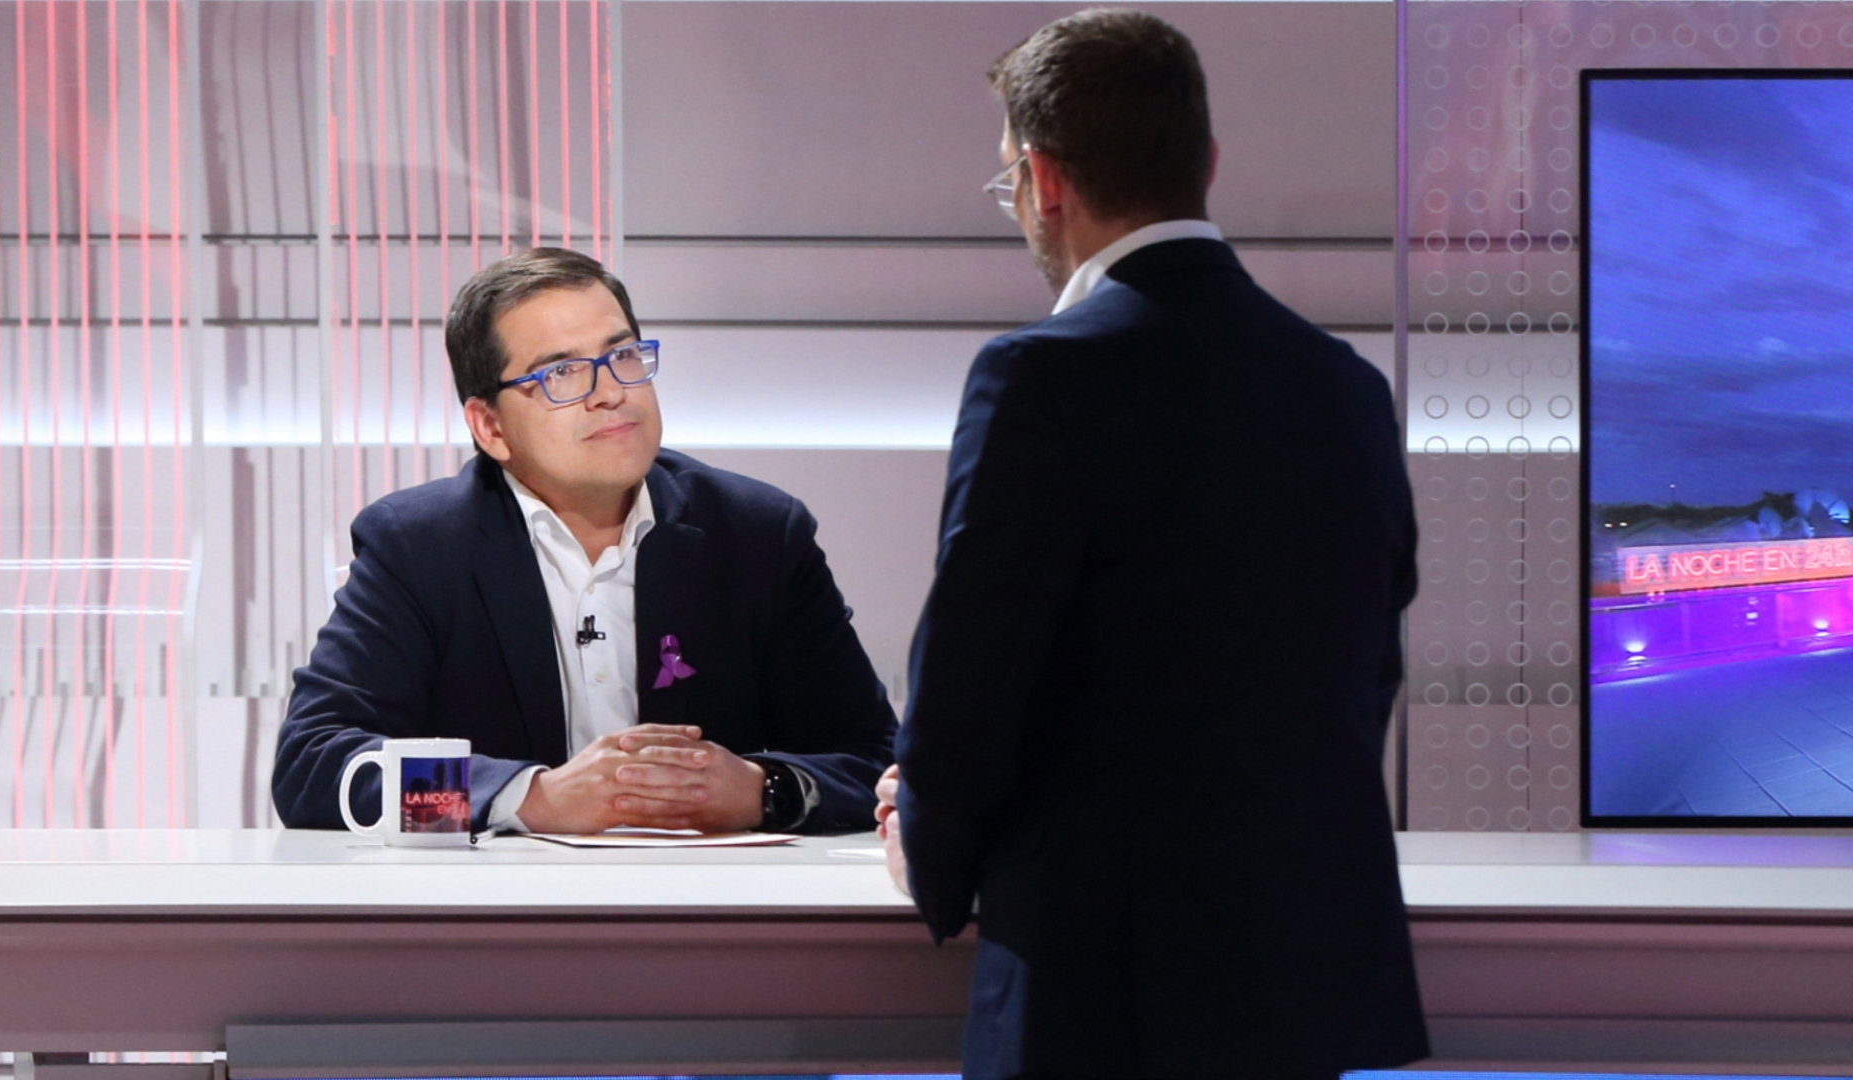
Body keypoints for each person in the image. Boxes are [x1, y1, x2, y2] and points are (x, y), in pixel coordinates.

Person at [879, 10, 1429, 1079]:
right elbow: (1368, 670)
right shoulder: (1346, 386)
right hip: (1299, 972)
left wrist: (930, 852)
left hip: (1098, 985)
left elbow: (976, 666)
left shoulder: (1041, 374)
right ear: (1206, 161)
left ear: (1043, 180)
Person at [275, 247, 896, 836]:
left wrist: (765, 789)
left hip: (716, 900)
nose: (611, 393)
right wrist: (528, 798)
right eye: (563, 373)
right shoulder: (421, 547)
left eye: (622, 356)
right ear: (490, 426)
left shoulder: (755, 534)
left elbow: (880, 760)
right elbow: (315, 767)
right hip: (502, 905)